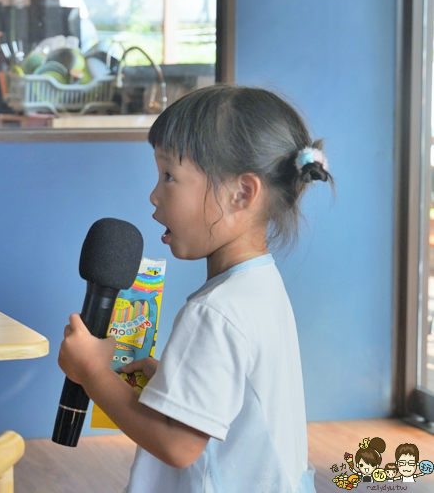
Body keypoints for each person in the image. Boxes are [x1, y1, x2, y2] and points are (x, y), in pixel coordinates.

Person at [58, 85, 331, 492]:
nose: (153, 194)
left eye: (170, 176)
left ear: (242, 193)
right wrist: (174, 383)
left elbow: (178, 444)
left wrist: (93, 371)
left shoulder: (214, 311)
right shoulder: (260, 286)